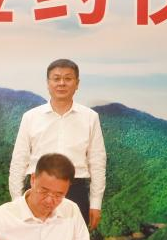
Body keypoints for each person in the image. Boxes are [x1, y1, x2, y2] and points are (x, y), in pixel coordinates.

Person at [8, 58, 106, 229]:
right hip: (38, 189)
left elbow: (97, 161)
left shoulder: (90, 117)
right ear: (48, 83)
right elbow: (19, 160)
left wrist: (95, 203)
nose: (62, 83)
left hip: (75, 189)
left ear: (77, 83)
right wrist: (17, 201)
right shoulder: (31, 117)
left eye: (68, 78)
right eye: (56, 78)